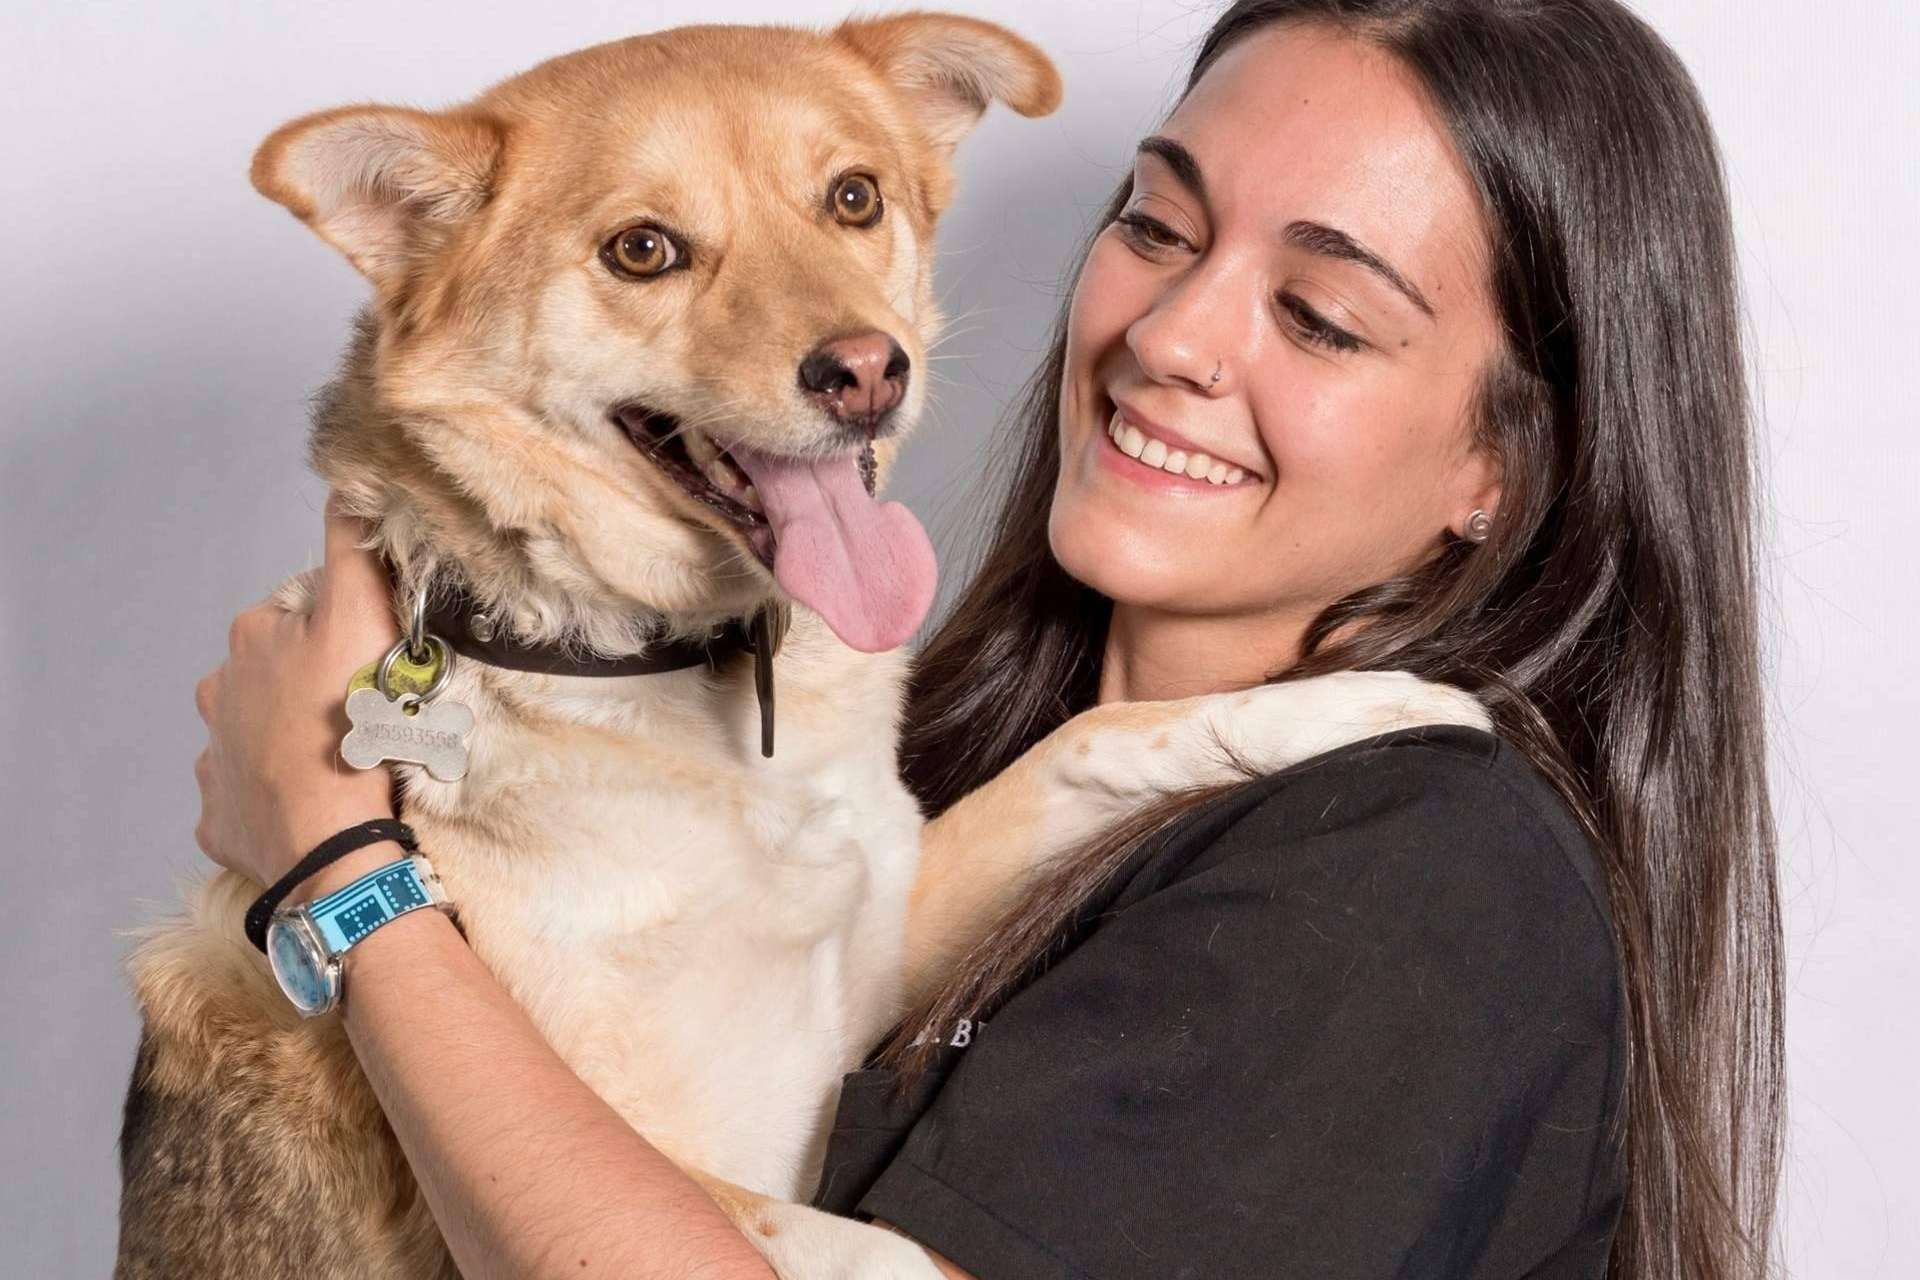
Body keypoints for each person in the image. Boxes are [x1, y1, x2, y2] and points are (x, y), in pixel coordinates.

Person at [191, 1, 1782, 1276]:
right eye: (1159, 228)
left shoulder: (1414, 884)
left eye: (1320, 316)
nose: (1169, 336)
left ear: (1502, 466)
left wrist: (342, 878)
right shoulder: (939, 722)